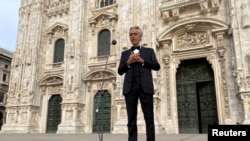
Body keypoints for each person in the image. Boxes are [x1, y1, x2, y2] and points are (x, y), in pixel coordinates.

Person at [118, 26, 160, 141]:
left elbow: (157, 66)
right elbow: (120, 71)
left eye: (135, 34)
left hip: (145, 88)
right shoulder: (125, 54)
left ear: (140, 36)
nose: (133, 36)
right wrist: (128, 62)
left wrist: (143, 61)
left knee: (149, 118)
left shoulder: (149, 51)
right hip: (130, 89)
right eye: (131, 34)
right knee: (131, 119)